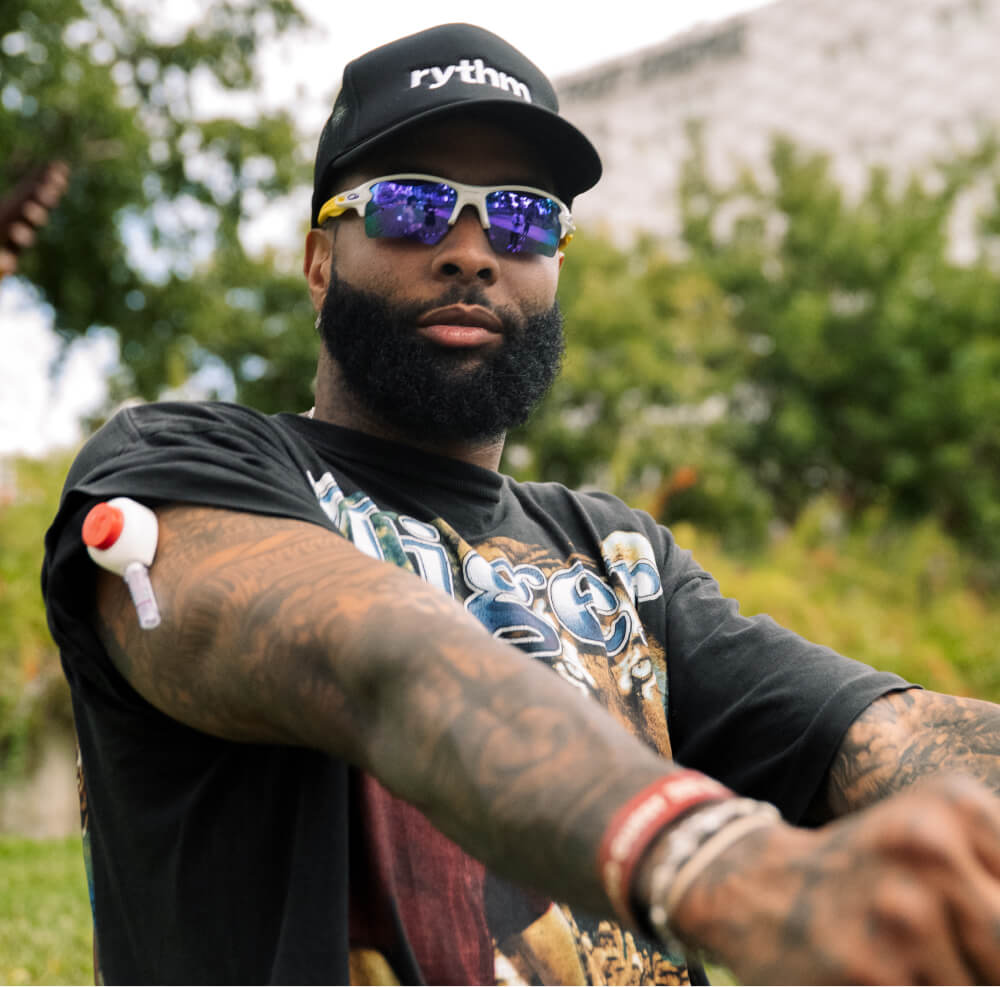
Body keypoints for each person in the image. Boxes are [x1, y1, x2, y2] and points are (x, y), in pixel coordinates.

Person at [42, 22, 1000, 986]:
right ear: (320, 261)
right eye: (412, 206)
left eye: (523, 218)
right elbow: (374, 658)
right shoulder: (177, 469)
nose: (471, 251)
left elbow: (875, 732)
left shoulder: (621, 556)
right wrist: (717, 860)